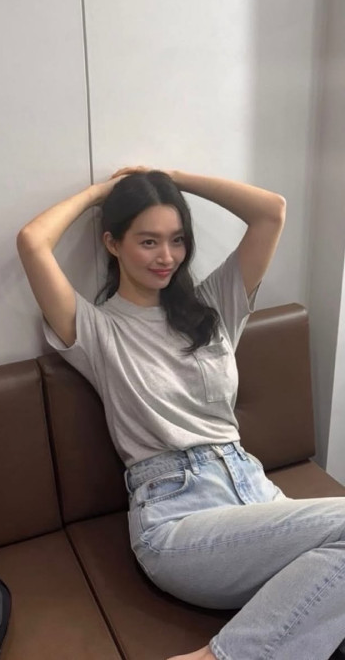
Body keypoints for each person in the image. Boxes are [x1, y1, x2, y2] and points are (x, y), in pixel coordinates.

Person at [17, 166, 345, 660]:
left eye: (177, 240)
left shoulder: (213, 308)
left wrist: (171, 178)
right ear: (112, 243)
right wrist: (102, 193)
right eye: (148, 241)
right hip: (179, 520)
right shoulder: (97, 330)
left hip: (257, 497)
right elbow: (32, 242)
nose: (167, 256)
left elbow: (270, 211)